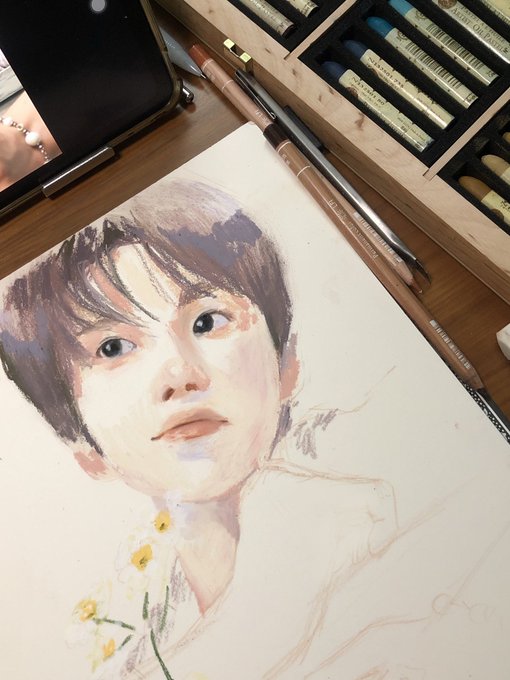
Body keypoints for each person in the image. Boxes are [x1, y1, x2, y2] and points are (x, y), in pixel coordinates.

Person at [0, 179, 397, 678]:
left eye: (207, 322)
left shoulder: (377, 534)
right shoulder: (136, 637)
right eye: (113, 348)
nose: (180, 374)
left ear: (287, 364)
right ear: (84, 447)